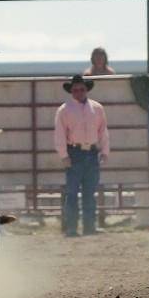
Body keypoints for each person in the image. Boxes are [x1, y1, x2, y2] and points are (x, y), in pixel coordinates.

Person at [54, 74, 110, 237]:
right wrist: (64, 155)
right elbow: (59, 134)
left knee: (89, 192)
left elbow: (103, 131)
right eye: (75, 90)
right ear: (71, 91)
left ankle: (89, 227)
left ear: (86, 90)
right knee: (71, 192)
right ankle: (71, 228)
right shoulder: (64, 110)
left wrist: (105, 151)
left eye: (81, 89)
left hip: (92, 152)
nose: (79, 92)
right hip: (74, 152)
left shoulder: (97, 108)